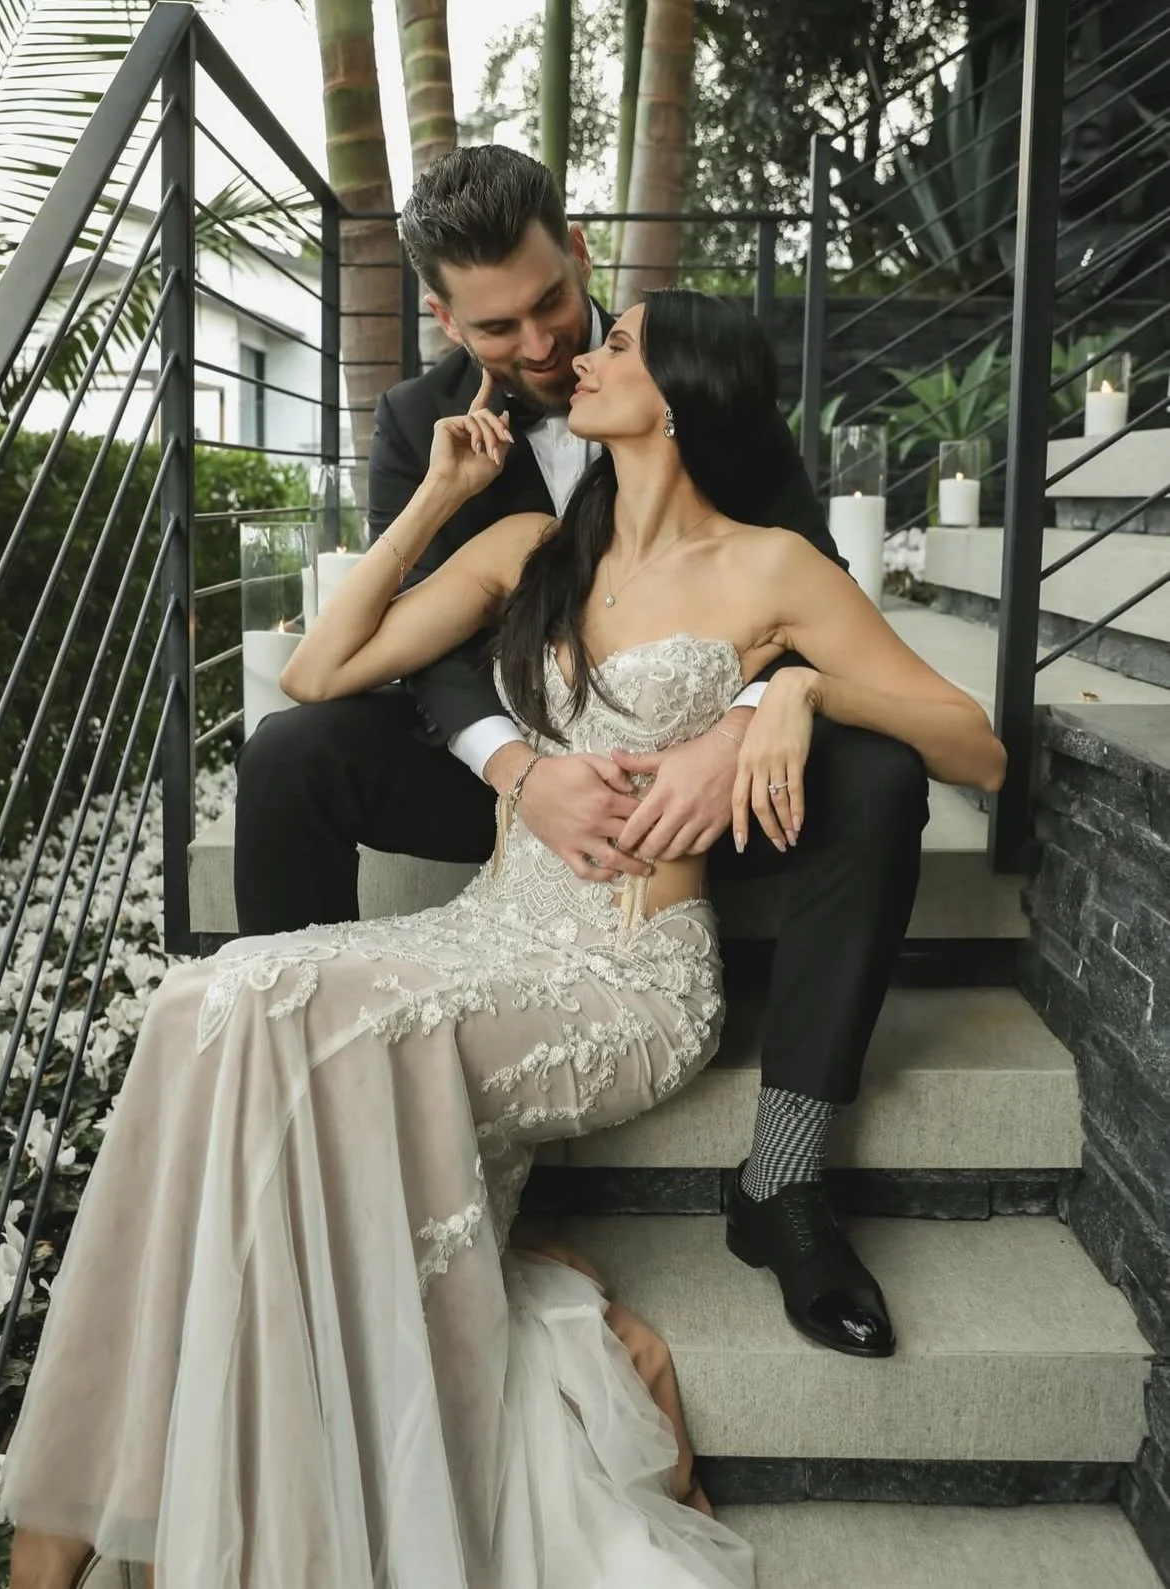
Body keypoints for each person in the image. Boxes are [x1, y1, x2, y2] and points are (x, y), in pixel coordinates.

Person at [0, 287, 1006, 1589]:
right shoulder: (534, 544)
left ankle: (142, 1507)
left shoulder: (771, 568)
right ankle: (72, 1511)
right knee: (205, 1002)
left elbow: (975, 745)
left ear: (684, 396)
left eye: (618, 344)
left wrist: (793, 690)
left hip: (629, 973)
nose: (580, 358)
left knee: (297, 1017)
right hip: (491, 927)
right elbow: (314, 674)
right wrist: (434, 499)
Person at [235, 147, 933, 1358]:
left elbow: (812, 584)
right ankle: (304, 1102)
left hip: (692, 796)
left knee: (881, 775)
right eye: (498, 327)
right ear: (445, 318)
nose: (546, 343)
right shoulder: (414, 422)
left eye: (555, 302)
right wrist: (520, 771)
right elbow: (426, 657)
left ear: (579, 254)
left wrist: (755, 710)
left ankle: (784, 1174)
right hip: (514, 783)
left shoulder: (683, 362)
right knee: (291, 752)